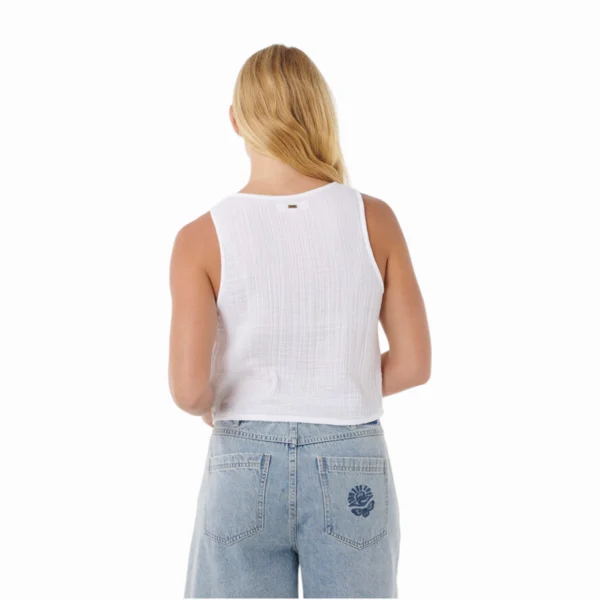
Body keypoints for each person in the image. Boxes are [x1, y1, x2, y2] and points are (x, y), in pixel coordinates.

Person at [168, 44, 431, 599]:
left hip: (243, 459)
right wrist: (334, 384)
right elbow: (413, 364)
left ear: (236, 119)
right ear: (320, 113)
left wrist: (232, 404)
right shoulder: (374, 220)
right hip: (351, 458)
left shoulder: (200, 237)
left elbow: (189, 392)